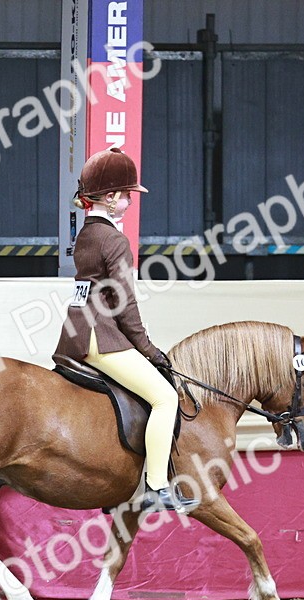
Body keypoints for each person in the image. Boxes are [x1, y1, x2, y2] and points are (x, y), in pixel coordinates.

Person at [53, 147, 198, 516]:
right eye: (128, 194)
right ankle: (156, 487)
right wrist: (150, 350)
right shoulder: (115, 241)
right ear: (112, 196)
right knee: (165, 399)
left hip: (73, 332)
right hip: (101, 336)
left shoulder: (87, 233)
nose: (131, 200)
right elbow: (124, 305)